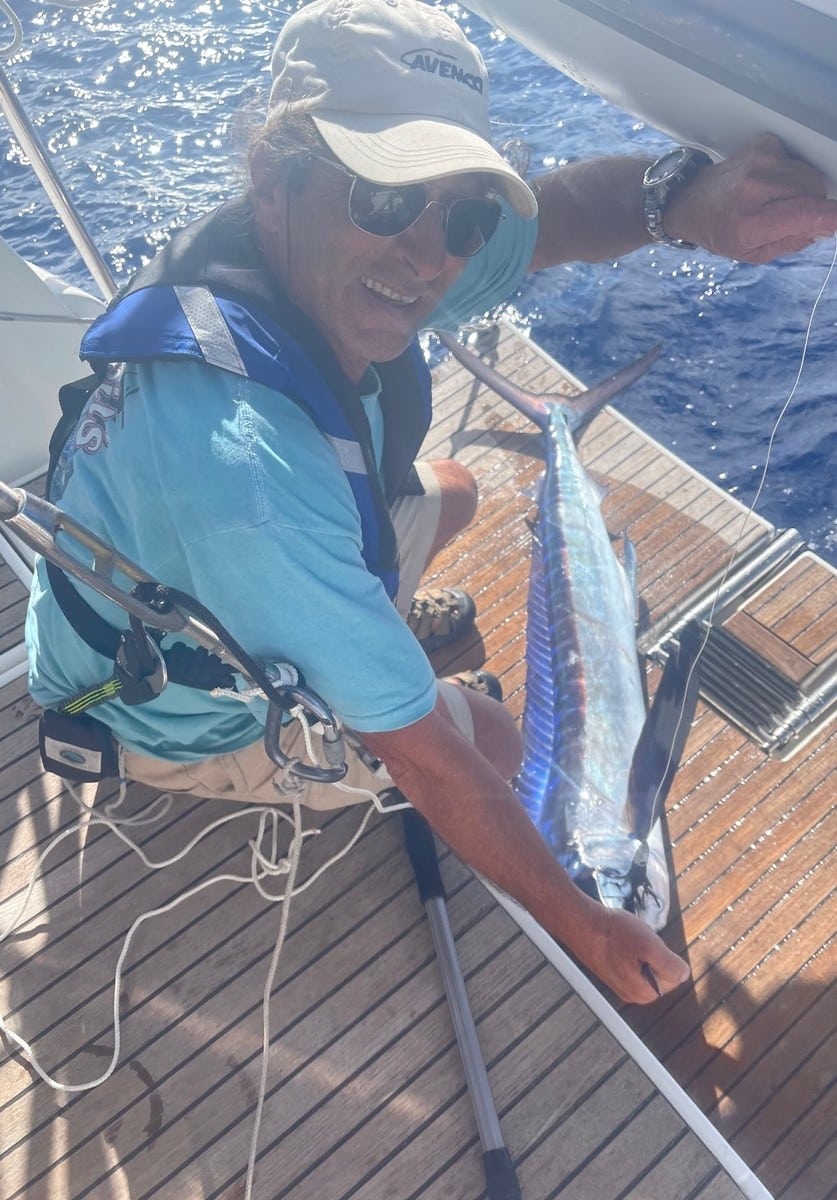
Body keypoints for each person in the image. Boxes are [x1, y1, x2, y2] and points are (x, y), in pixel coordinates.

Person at [25, 0, 837, 1006]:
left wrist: (690, 197)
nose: (427, 256)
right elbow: (435, 768)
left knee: (451, 494)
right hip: (162, 712)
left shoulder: (320, 259)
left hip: (209, 559)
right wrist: (583, 919)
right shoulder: (246, 473)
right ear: (275, 184)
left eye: (461, 217)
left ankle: (347, 628)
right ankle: (340, 645)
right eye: (382, 196)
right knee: (496, 745)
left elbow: (575, 211)